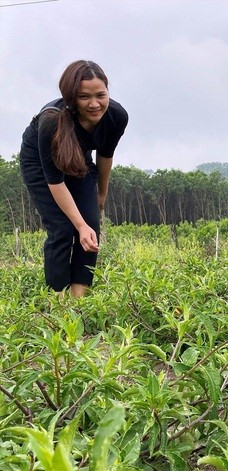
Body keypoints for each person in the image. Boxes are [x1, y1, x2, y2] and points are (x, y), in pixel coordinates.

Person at [20, 60, 128, 297]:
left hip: (79, 159)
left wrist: (101, 193)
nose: (94, 104)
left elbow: (105, 155)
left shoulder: (117, 116)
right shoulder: (51, 121)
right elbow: (55, 182)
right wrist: (78, 225)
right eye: (84, 97)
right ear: (71, 97)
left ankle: (79, 300)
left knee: (91, 226)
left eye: (101, 95)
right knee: (62, 228)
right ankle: (58, 302)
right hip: (40, 163)